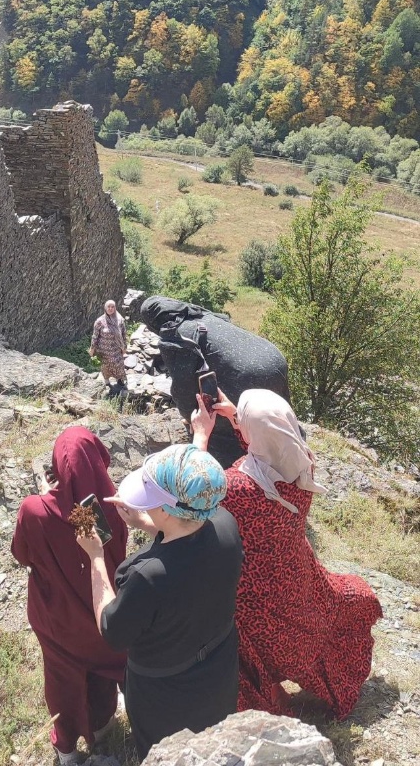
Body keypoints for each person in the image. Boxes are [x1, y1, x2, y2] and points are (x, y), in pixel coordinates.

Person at [76, 399, 243, 763]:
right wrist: (144, 520)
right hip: (218, 670)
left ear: (168, 509)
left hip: (167, 694)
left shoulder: (147, 576)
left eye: (151, 499)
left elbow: (111, 628)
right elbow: (188, 526)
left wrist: (96, 557)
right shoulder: (226, 524)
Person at [208, 387, 383, 719]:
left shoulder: (237, 488)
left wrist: (200, 437)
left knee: (251, 645)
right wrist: (236, 418)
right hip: (294, 570)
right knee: (311, 624)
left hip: (254, 586)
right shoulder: (303, 463)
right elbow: (268, 450)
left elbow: (194, 493)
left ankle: (270, 702)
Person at [11, 427, 128, 766]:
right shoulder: (115, 504)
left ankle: (67, 749)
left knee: (62, 680)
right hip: (101, 612)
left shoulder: (34, 510)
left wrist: (48, 497)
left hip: (57, 617)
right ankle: (103, 726)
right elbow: (105, 543)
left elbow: (23, 554)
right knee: (103, 670)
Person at [140, 295, 292, 467]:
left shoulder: (174, 335)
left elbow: (182, 389)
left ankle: (238, 459)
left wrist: (192, 419)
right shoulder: (205, 315)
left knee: (220, 436)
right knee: (275, 414)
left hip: (252, 373)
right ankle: (289, 442)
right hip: (274, 356)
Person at [89, 299, 128, 387]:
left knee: (119, 365)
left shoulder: (119, 320)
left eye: (112, 307)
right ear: (105, 308)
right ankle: (107, 382)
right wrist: (92, 348)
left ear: (115, 308)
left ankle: (119, 379)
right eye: (108, 307)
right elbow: (95, 336)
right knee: (106, 367)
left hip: (116, 349)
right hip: (104, 350)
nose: (110, 309)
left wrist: (124, 347)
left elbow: (124, 334)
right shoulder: (100, 321)